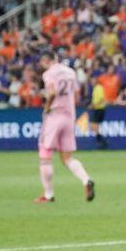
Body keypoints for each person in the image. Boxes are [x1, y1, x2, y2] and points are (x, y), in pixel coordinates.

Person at [34, 51, 95, 203]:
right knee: (67, 157)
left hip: (54, 115)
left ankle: (48, 195)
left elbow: (53, 92)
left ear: (45, 60)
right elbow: (76, 95)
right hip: (69, 116)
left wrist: (48, 106)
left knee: (45, 156)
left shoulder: (49, 74)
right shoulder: (70, 72)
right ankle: (86, 180)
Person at [89, 74, 108, 149]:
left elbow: (101, 99)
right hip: (96, 109)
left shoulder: (99, 87)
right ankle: (101, 141)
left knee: (94, 126)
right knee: (94, 127)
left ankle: (102, 142)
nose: (92, 81)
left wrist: (93, 105)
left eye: (93, 80)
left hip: (99, 109)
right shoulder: (95, 88)